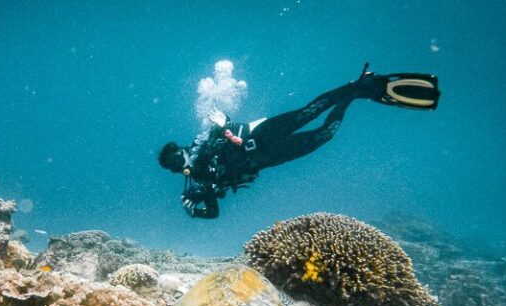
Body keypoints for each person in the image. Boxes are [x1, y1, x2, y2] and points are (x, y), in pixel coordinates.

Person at [158, 64, 440, 218]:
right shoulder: (202, 181)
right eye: (174, 166)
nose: (181, 163)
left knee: (309, 112)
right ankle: (356, 96)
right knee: (324, 136)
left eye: (178, 156)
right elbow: (214, 213)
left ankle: (359, 84)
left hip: (259, 134)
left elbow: (226, 125)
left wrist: (226, 127)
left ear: (184, 149)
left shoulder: (204, 144)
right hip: (269, 158)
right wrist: (195, 212)